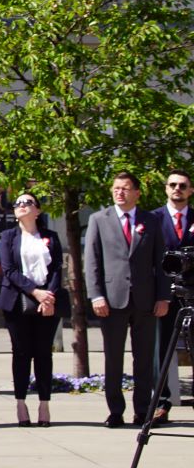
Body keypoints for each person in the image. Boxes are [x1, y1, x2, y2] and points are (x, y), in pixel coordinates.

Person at [84, 171, 170, 427]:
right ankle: (115, 411)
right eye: (116, 188)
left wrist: (163, 297)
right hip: (112, 300)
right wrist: (96, 295)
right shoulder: (99, 219)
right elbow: (92, 261)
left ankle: (142, 410)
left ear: (136, 193)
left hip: (145, 300)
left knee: (144, 359)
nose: (119, 192)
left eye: (125, 188)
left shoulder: (150, 221)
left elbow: (161, 262)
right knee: (113, 358)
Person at [0, 192, 66, 427]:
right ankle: (21, 402)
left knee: (44, 353)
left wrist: (49, 297)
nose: (22, 206)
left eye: (28, 203)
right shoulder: (8, 237)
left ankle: (44, 404)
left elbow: (57, 268)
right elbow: (9, 270)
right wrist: (36, 292)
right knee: (22, 352)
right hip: (17, 302)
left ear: (38, 211)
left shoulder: (50, 237)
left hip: (48, 302)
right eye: (18, 203)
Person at [153, 169, 194, 424]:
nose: (177, 189)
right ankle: (161, 402)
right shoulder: (153, 218)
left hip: (192, 292)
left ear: (190, 191)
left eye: (183, 185)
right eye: (172, 185)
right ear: (166, 189)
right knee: (162, 350)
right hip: (164, 294)